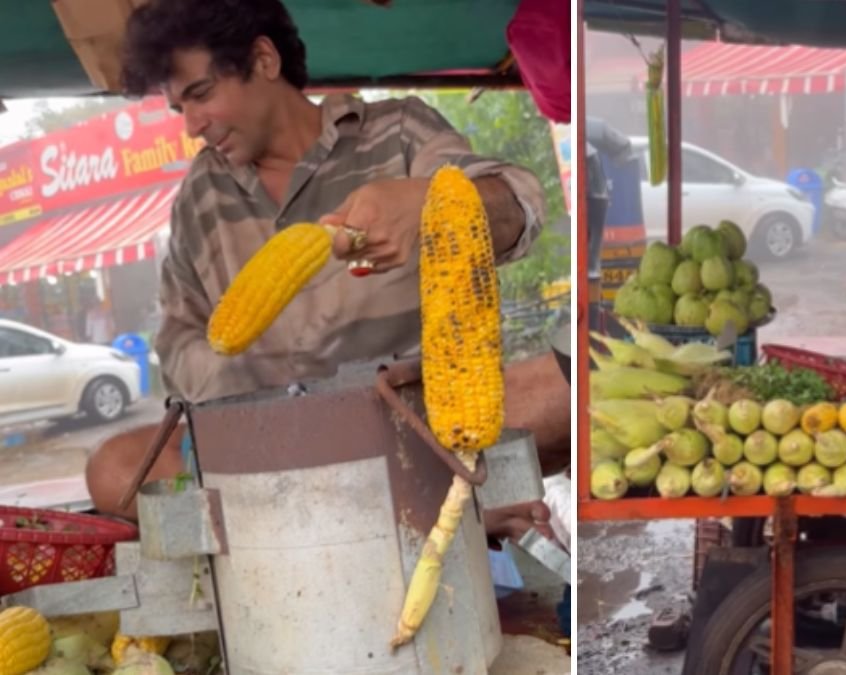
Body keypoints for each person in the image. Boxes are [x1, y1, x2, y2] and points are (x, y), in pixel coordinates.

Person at [84, 0, 569, 546]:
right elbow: (177, 342)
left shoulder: (398, 129)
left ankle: (407, 504)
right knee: (114, 466)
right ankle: (432, 508)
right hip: (274, 446)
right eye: (179, 109)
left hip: (418, 425)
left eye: (200, 95)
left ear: (263, 60)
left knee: (570, 387)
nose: (192, 126)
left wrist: (431, 200)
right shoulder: (201, 197)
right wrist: (266, 406)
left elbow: (521, 205)